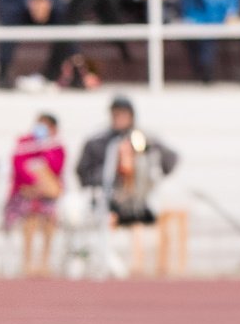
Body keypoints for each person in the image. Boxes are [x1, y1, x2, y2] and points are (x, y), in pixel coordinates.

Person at [75, 96, 178, 229]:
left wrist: (144, 150)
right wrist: (110, 171)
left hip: (140, 201)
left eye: (124, 114)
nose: (120, 118)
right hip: (108, 201)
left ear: (131, 116)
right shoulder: (98, 141)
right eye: (116, 114)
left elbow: (170, 159)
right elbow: (82, 171)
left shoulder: (143, 137)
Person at [6, 113, 66, 277]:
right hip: (24, 194)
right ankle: (28, 262)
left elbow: (56, 169)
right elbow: (18, 167)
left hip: (46, 197)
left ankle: (44, 262)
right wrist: (33, 184)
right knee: (30, 217)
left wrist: (45, 150)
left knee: (49, 220)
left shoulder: (56, 147)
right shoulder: (25, 143)